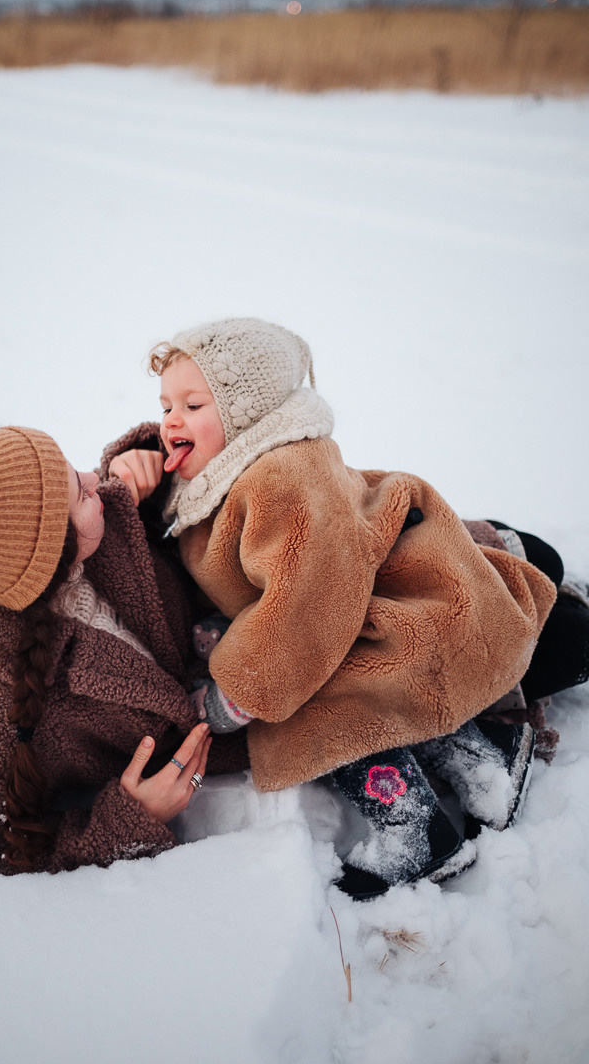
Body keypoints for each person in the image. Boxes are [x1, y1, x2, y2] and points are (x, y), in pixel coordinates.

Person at [107, 318, 589, 898]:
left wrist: (232, 697)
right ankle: (483, 756)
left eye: (192, 405)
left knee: (315, 703)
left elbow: (304, 609)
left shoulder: (282, 478)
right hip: (366, 607)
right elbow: (256, 580)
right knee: (309, 676)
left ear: (246, 415)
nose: (170, 421)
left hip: (417, 610)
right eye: (165, 406)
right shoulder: (214, 482)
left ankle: (415, 830)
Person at [0, 425, 248, 875]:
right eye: (80, 491)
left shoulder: (91, 538)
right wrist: (128, 818)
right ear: (50, 556)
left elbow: (137, 522)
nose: (95, 481)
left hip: (239, 648)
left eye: (76, 472)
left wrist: (140, 466)